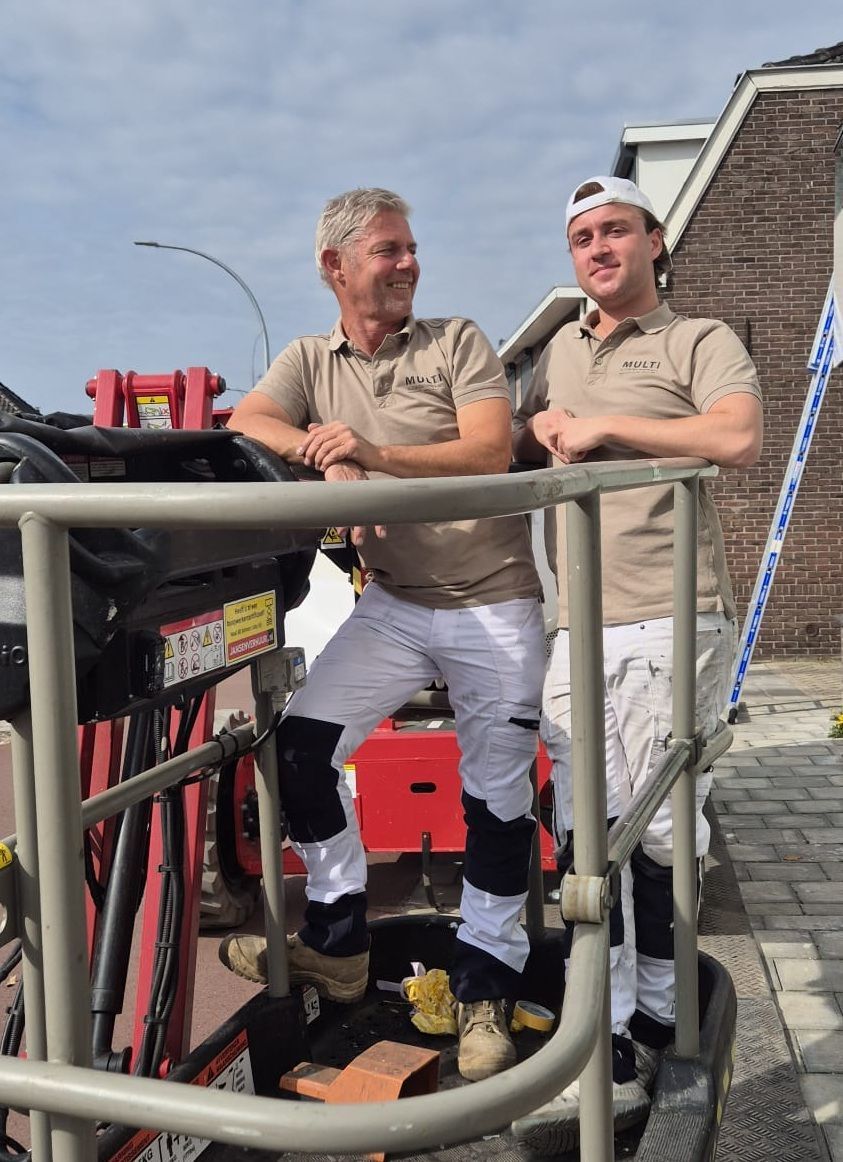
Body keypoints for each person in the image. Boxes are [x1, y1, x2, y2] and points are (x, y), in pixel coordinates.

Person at [218, 187, 546, 1083]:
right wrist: (317, 451)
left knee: (497, 800)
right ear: (335, 267)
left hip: (490, 602)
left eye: (409, 249)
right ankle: (337, 938)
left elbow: (487, 450)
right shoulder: (308, 357)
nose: (407, 265)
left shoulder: (456, 341)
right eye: (387, 251)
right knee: (298, 751)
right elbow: (248, 420)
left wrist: (369, 455)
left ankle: (485, 988)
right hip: (397, 602)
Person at [510, 176, 763, 1152]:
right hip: (577, 622)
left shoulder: (697, 340)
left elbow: (735, 437)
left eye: (615, 230)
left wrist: (614, 430)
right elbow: (522, 446)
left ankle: (662, 1014)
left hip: (668, 614)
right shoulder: (560, 350)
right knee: (587, 833)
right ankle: (608, 1032)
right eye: (581, 237)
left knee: (659, 828)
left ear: (656, 242)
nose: (597, 247)